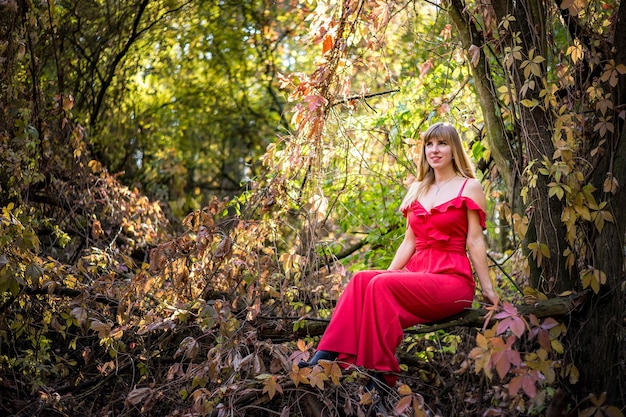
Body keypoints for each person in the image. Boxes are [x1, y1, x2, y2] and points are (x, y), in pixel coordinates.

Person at [298, 122, 500, 394]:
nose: (434, 150)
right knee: (362, 280)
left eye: (441, 143)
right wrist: (387, 274)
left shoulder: (469, 186)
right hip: (419, 274)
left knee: (380, 285)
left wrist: (488, 290)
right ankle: (324, 358)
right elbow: (410, 240)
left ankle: (381, 379)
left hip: (452, 280)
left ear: (454, 149)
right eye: (429, 144)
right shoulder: (417, 188)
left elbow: (475, 240)